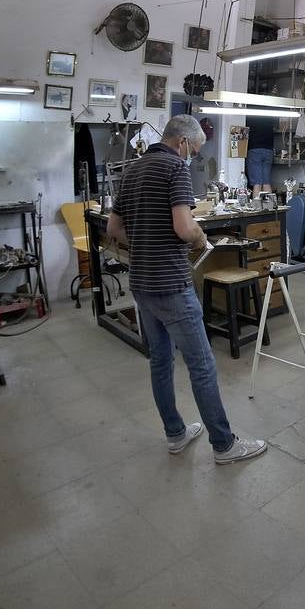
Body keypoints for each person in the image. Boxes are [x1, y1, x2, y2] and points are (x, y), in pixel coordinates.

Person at [106, 115, 267, 464]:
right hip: (171, 283)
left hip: (142, 283)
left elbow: (114, 226)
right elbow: (183, 227)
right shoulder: (175, 169)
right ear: (182, 143)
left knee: (160, 362)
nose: (192, 157)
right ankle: (224, 445)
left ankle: (175, 434)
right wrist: (200, 236)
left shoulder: (133, 170)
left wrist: (144, 241)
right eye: (194, 150)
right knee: (202, 365)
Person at [245, 112, 275, 195]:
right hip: (268, 150)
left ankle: (256, 207)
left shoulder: (250, 114)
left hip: (254, 149)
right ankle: (269, 206)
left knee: (257, 184)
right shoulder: (270, 114)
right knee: (266, 182)